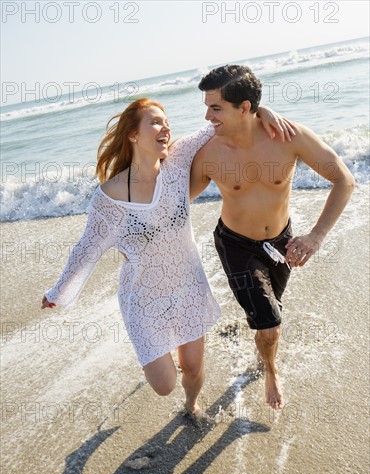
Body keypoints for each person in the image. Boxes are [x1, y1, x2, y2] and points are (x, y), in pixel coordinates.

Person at [41, 97, 294, 423]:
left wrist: (262, 112)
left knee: (192, 368)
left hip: (188, 287)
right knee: (164, 384)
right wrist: (58, 292)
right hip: (144, 297)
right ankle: (156, 353)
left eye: (167, 121)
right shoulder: (109, 197)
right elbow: (86, 249)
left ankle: (191, 405)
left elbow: (220, 123)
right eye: (156, 122)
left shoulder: (177, 163)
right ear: (133, 134)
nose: (166, 127)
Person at [190, 65, 355, 411]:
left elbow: (343, 180)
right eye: (207, 106)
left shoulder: (288, 137)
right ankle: (271, 371)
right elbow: (175, 204)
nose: (207, 116)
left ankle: (262, 349)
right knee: (271, 322)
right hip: (234, 244)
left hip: (282, 241)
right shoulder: (207, 153)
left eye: (216, 107)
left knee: (269, 317)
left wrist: (316, 236)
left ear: (245, 107)